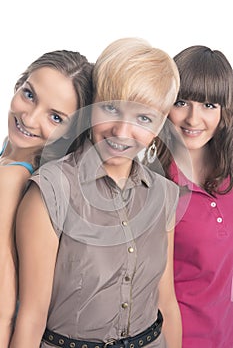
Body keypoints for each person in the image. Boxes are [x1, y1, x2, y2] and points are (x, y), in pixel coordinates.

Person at [10, 37, 182, 348]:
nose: (121, 132)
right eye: (111, 108)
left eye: (143, 118)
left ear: (160, 127)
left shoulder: (165, 195)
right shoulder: (51, 191)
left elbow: (167, 302)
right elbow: (31, 318)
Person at [0, 49, 93, 347]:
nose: (29, 117)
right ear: (19, 84)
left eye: (55, 117)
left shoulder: (13, 179)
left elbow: (4, 304)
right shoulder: (7, 152)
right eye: (29, 94)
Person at [153, 45, 233, 347]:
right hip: (172, 339)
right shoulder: (155, 180)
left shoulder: (228, 172)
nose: (193, 119)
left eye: (209, 105)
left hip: (224, 335)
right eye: (181, 102)